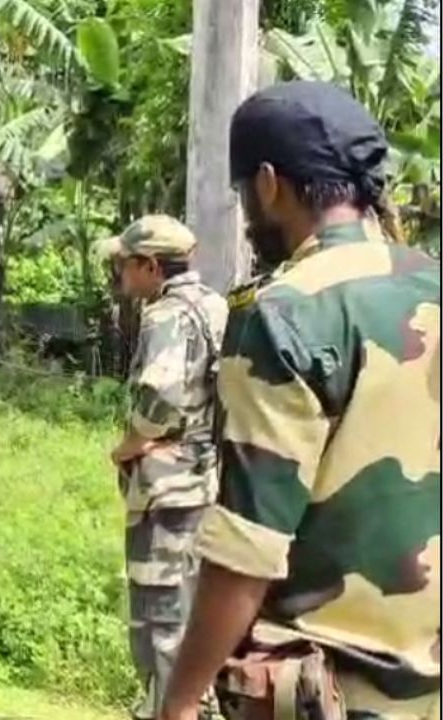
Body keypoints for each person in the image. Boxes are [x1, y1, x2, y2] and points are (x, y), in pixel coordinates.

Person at [159, 81, 441, 720]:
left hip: (327, 690)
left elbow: (247, 549)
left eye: (243, 196)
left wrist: (177, 702)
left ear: (267, 184)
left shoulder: (286, 312)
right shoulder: (430, 280)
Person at [96, 216, 226, 720]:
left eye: (126, 263)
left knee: (159, 613)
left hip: (166, 486)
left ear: (151, 266)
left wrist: (128, 446)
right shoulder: (216, 306)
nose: (121, 272)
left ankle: (167, 708)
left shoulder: (166, 315)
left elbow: (160, 396)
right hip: (204, 476)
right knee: (193, 605)